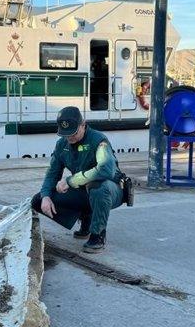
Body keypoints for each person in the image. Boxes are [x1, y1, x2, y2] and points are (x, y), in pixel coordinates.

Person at [31, 107, 127, 253]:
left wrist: (70, 181)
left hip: (110, 189)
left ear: (83, 124)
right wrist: (45, 196)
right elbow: (52, 173)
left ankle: (98, 234)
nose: (70, 138)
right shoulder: (62, 145)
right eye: (66, 134)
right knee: (38, 201)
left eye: (74, 133)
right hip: (85, 190)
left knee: (98, 188)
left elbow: (106, 170)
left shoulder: (99, 140)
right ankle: (87, 218)